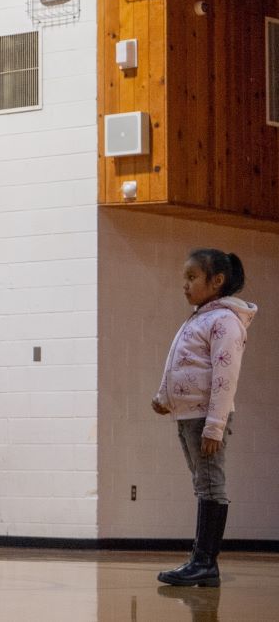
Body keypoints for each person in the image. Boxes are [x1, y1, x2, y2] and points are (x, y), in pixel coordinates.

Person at [151, 249, 253, 588]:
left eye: (192, 277)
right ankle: (201, 562)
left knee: (211, 486)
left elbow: (226, 376)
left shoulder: (225, 321)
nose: (185, 285)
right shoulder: (200, 317)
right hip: (188, 417)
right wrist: (165, 399)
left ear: (216, 281)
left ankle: (205, 562)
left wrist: (215, 426)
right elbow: (181, 362)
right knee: (203, 485)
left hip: (205, 421)